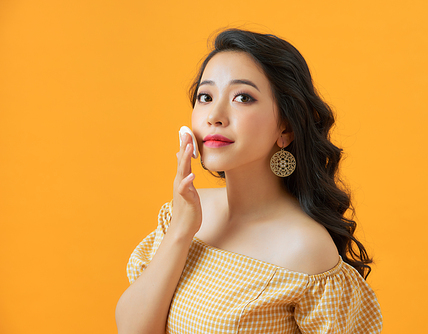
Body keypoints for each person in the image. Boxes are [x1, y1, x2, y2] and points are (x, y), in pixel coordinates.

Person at [115, 28, 382, 334]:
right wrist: (180, 230)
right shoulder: (184, 214)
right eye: (205, 96)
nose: (215, 115)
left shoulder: (305, 248)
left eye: (243, 97)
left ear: (285, 129)